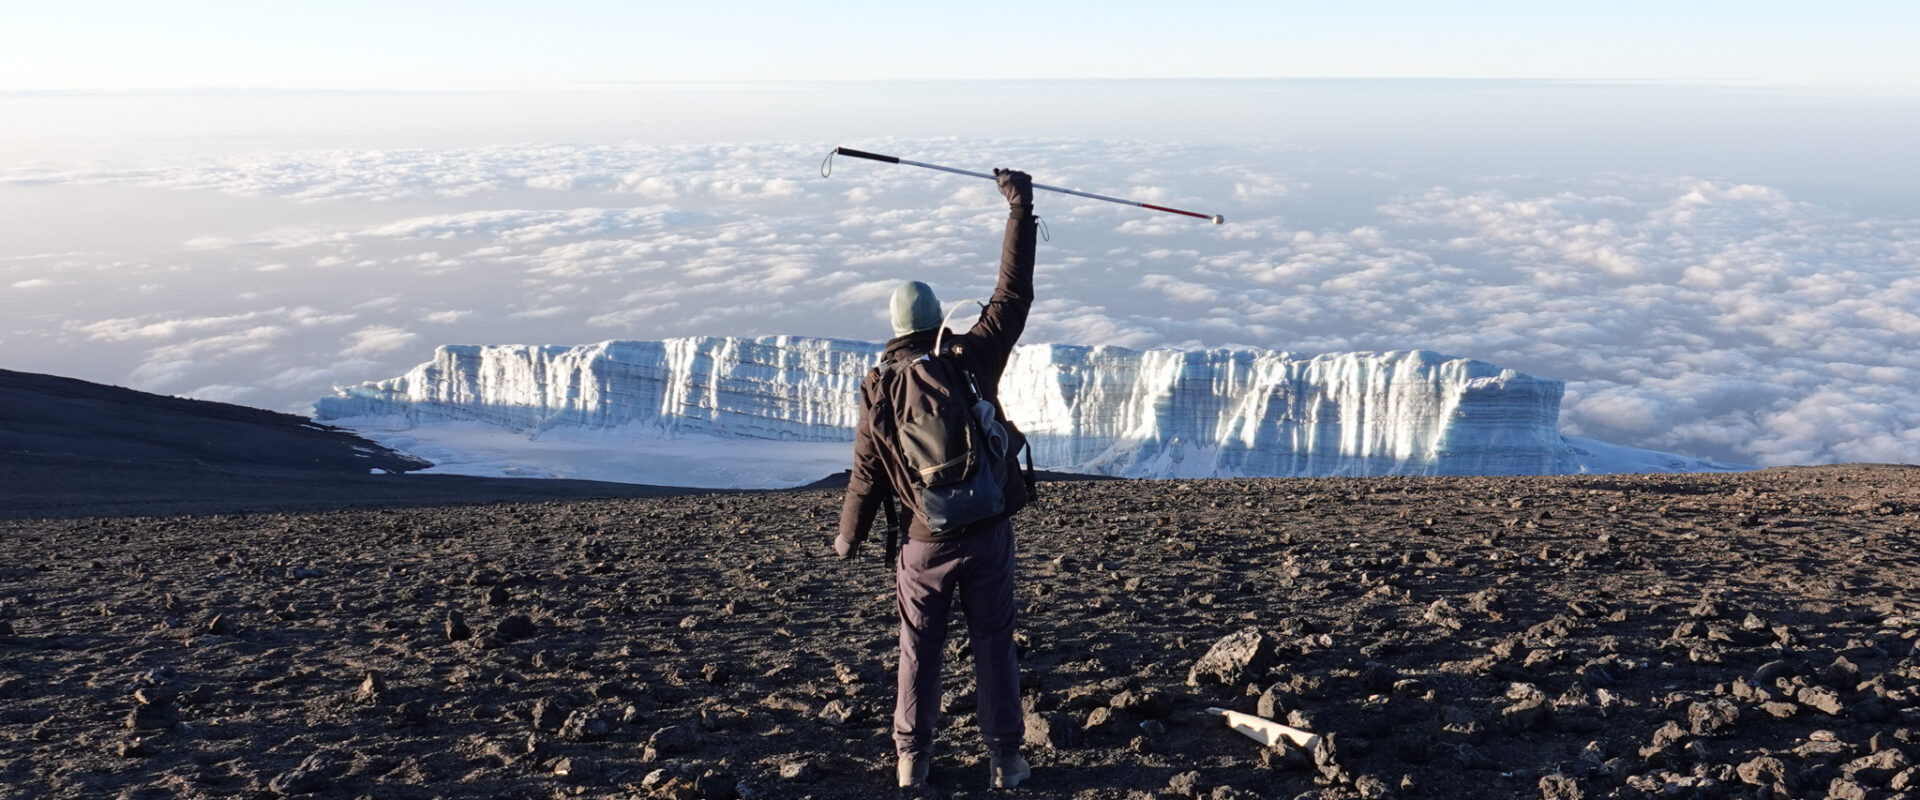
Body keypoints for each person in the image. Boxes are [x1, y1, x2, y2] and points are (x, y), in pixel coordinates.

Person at [834, 168, 1038, 791]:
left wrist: (849, 539)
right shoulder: (969, 360)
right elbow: (1012, 295)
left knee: (918, 650)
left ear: (896, 328)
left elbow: (866, 475)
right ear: (933, 321)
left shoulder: (881, 390)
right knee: (994, 644)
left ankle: (911, 762)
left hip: (923, 543)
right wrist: (1019, 210)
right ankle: (1007, 759)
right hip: (987, 532)